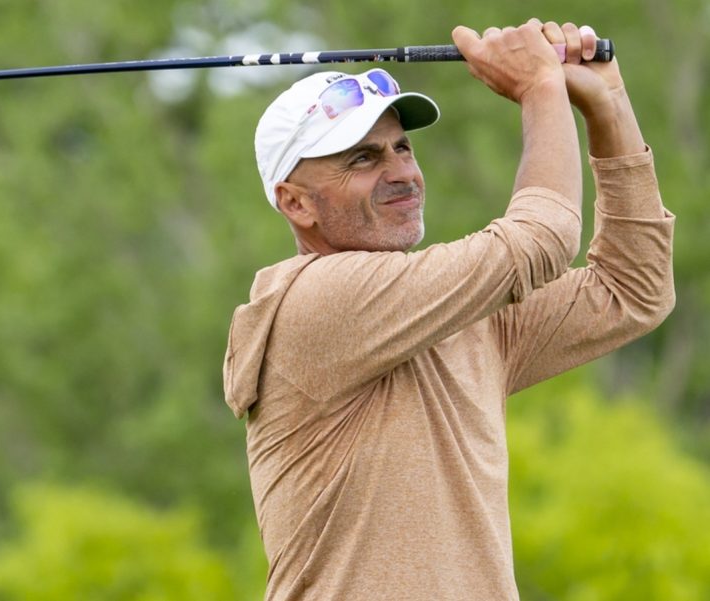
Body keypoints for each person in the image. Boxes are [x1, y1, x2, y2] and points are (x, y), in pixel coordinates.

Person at [222, 19, 675, 601]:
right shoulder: (316, 300)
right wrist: (541, 88)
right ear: (295, 202)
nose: (402, 173)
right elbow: (543, 237)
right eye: (362, 159)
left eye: (402, 147)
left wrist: (608, 107)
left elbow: (632, 288)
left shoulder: (453, 316)